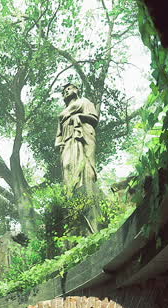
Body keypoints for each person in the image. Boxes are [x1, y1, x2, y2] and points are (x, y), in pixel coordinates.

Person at [54, 82, 100, 231]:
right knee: (67, 166)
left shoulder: (84, 102)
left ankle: (86, 197)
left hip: (82, 137)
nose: (66, 91)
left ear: (76, 90)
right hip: (67, 142)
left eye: (69, 89)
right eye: (64, 91)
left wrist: (79, 116)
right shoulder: (63, 112)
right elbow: (59, 133)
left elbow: (94, 119)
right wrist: (59, 142)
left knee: (85, 169)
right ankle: (71, 198)